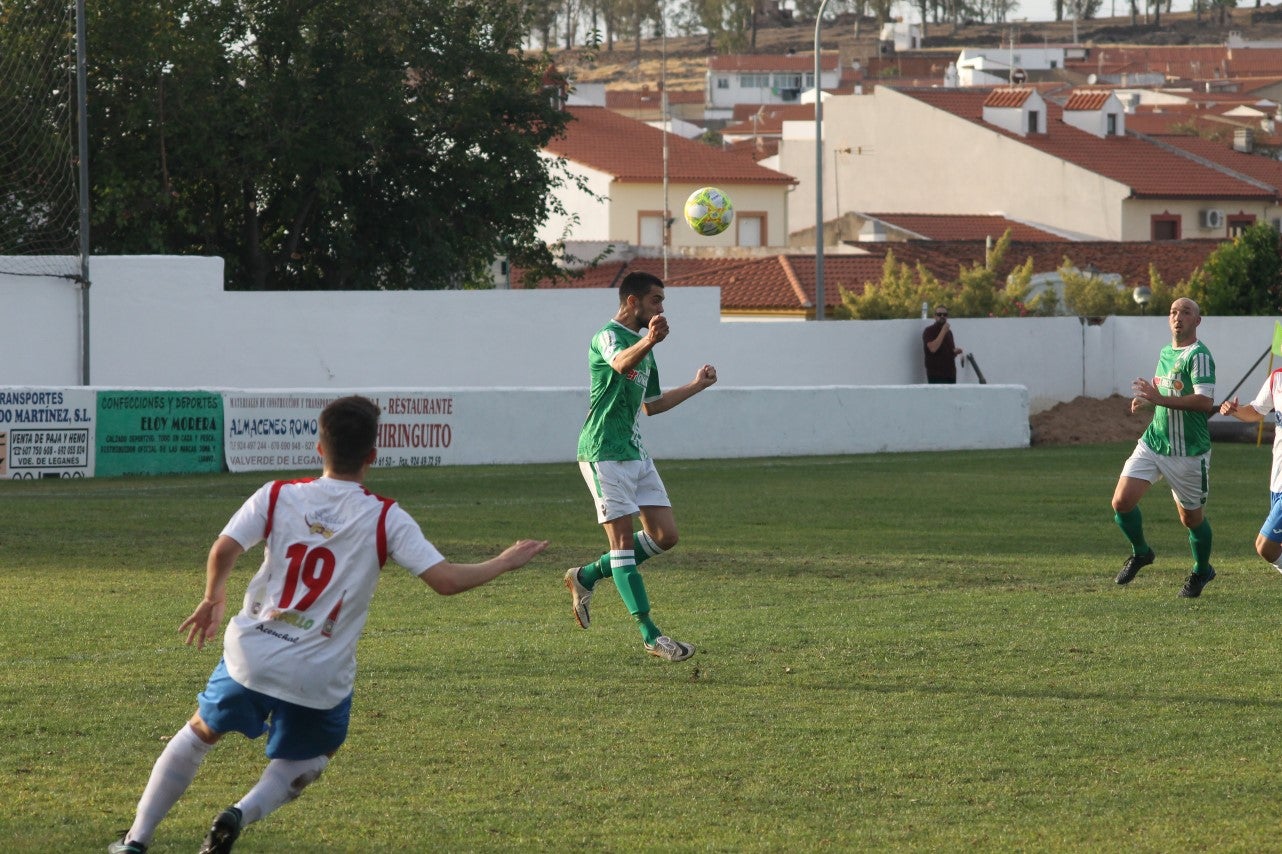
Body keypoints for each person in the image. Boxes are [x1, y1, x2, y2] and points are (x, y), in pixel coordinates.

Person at [108, 396, 547, 854]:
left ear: (319, 448)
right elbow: (446, 581)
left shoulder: (277, 495)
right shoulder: (384, 516)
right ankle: (240, 813)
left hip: (252, 655)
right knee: (315, 755)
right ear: (372, 457)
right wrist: (504, 561)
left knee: (199, 733)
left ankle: (136, 841)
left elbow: (224, 549)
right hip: (318, 672)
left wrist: (212, 597)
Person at [563, 271, 717, 661]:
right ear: (632, 302)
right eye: (655, 300)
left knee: (666, 536)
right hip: (603, 452)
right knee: (624, 546)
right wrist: (649, 340)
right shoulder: (608, 335)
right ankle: (651, 634)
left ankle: (585, 576)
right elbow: (618, 364)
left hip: (636, 453)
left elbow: (653, 405)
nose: (661, 308)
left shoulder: (648, 350)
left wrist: (696, 385)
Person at [1111, 297, 1217, 598]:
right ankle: (1141, 552)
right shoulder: (1166, 352)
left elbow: (1204, 402)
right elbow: (1164, 392)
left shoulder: (1199, 356)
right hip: (1154, 441)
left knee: (1191, 520)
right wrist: (1148, 403)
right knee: (1122, 502)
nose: (1178, 317)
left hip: (1188, 452)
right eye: (1173, 312)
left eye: (1186, 312)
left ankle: (1202, 570)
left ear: (1197, 321)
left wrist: (1158, 399)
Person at [1218, 368, 1282, 572]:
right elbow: (1256, 410)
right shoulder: (1277, 378)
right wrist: (1235, 410)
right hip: (1277, 481)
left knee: (1266, 546)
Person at [922, 305, 964, 384]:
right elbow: (933, 348)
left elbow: (948, 353)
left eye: (945, 315)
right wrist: (943, 331)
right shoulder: (929, 331)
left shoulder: (949, 332)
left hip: (950, 375)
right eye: (939, 314)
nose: (942, 316)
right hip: (936, 376)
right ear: (934, 316)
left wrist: (955, 352)